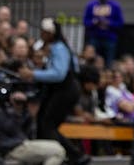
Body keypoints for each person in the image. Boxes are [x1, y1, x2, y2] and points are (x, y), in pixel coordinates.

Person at [18, 17, 90, 165]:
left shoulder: (59, 48)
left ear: (51, 33)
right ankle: (64, 154)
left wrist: (34, 74)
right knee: (44, 123)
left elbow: (59, 74)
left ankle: (75, 155)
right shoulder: (59, 47)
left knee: (47, 125)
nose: (42, 35)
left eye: (44, 32)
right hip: (62, 90)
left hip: (65, 90)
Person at [0, 90, 66, 165]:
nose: (20, 104)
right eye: (17, 101)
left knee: (57, 147)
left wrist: (29, 115)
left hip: (21, 145)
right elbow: (11, 128)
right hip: (12, 148)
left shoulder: (22, 113)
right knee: (58, 151)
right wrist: (16, 111)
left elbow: (26, 134)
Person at [83, 0, 124, 66]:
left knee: (109, 61)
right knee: (92, 60)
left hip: (110, 38)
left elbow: (120, 23)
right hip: (94, 37)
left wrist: (109, 23)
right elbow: (85, 22)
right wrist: (94, 22)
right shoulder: (91, 5)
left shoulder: (115, 6)